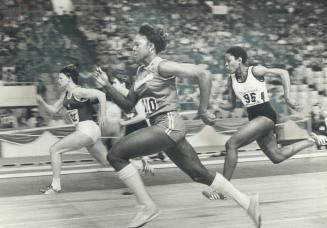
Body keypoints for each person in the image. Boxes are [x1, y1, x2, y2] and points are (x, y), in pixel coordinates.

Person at [94, 24, 261, 228]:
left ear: (151, 47)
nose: (133, 48)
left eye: (137, 44)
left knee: (115, 154)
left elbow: (203, 74)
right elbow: (128, 106)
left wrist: (201, 110)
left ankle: (147, 206)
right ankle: (247, 202)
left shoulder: (162, 66)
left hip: (168, 125)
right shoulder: (140, 73)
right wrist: (108, 86)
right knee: (199, 174)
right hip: (163, 129)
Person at [202, 46, 322, 200]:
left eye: (228, 61)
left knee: (231, 144)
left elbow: (283, 73)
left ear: (239, 60)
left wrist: (287, 97)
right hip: (255, 119)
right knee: (276, 157)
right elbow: (231, 105)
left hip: (266, 115)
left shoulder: (255, 71)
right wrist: (216, 103)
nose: (226, 65)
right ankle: (311, 140)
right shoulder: (230, 80)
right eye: (224, 62)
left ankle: (222, 190)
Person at [37, 64, 109, 194]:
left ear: (69, 78)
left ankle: (55, 186)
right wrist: (41, 100)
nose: (58, 81)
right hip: (87, 131)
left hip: (87, 128)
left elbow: (101, 95)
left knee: (54, 150)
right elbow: (53, 111)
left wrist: (103, 114)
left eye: (60, 78)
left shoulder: (77, 91)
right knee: (107, 161)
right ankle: (135, 164)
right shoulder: (65, 95)